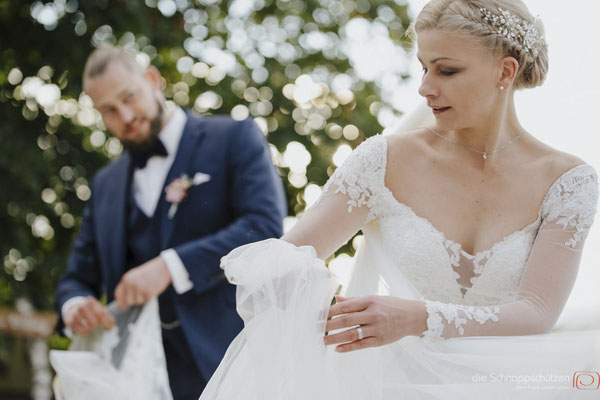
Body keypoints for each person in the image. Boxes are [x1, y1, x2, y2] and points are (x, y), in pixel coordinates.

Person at [199, 0, 600, 398]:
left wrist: (417, 317)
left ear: (505, 71)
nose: (425, 88)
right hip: (393, 384)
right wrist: (322, 304)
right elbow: (283, 258)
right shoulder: (384, 160)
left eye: (446, 70)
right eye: (423, 68)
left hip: (512, 386)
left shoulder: (568, 182)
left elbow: (536, 313)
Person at [54, 45, 287, 400]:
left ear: (152, 80)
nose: (126, 115)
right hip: (133, 377)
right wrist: (76, 306)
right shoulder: (105, 184)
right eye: (109, 110)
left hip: (230, 361)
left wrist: (169, 266)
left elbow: (263, 226)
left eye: (129, 97)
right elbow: (76, 278)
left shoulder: (233, 138)